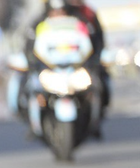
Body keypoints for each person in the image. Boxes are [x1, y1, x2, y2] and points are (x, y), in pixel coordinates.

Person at [23, 0, 108, 137]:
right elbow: (29, 47)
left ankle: (96, 122)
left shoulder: (81, 19)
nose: (58, 15)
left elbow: (95, 42)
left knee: (100, 83)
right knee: (28, 85)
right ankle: (33, 124)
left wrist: (94, 62)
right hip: (49, 70)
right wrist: (33, 65)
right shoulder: (40, 23)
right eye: (54, 12)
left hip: (76, 68)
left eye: (61, 11)